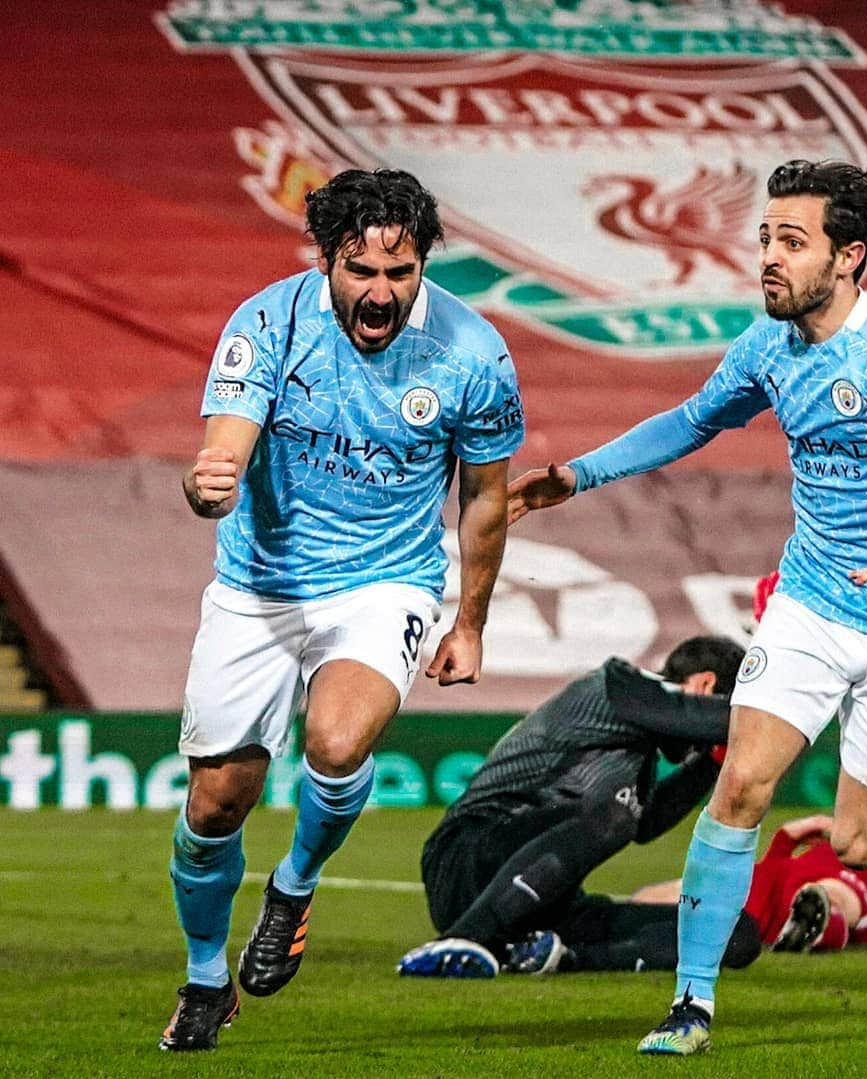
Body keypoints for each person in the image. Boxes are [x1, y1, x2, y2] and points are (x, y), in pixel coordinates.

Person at [509, 158, 867, 1055]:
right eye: (766, 237)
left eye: (792, 242)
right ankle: (691, 1005)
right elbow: (694, 418)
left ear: (850, 256)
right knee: (740, 785)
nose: (768, 257)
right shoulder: (769, 348)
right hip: (812, 600)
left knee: (860, 842)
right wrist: (579, 473)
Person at [160, 169, 525, 1052]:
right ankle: (208, 977)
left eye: (401, 275)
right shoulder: (267, 324)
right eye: (362, 271)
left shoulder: (473, 352)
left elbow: (484, 497)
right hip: (258, 586)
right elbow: (225, 446)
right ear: (327, 260)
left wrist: (468, 620)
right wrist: (207, 483)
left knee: (336, 741)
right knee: (215, 804)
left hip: (383, 581)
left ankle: (294, 885)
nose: (382, 292)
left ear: (424, 267)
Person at [396, 636, 762, 978]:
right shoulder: (619, 684)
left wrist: (714, 761)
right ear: (704, 686)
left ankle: (552, 956)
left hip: (539, 898)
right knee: (616, 814)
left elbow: (645, 824)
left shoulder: (639, 749)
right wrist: (774, 715)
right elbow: (710, 720)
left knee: (731, 932)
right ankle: (463, 940)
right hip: (466, 860)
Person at [633, 813, 867, 953]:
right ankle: (591, 923)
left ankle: (815, 921)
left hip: (847, 891)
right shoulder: (842, 838)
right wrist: (787, 838)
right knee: (649, 899)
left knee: (836, 892)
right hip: (767, 884)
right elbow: (780, 868)